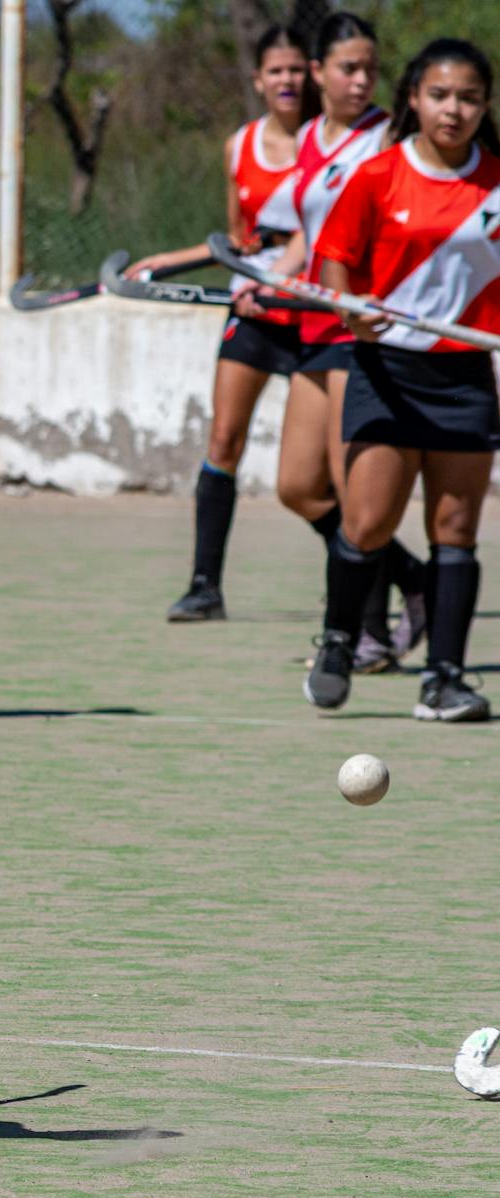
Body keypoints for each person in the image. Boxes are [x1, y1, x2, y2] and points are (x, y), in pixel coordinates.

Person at [302, 39, 500, 721]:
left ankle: (444, 678)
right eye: (440, 95)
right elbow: (335, 260)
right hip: (387, 367)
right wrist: (348, 308)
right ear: (414, 98)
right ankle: (338, 639)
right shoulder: (378, 176)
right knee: (367, 521)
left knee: (456, 527)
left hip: (465, 374)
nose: (454, 110)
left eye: (470, 98)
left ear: (485, 106)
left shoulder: (496, 183)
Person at [240, 12, 425, 672]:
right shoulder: (311, 137)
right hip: (315, 327)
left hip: (364, 330)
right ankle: (414, 578)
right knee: (297, 486)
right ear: (319, 72)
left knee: (355, 493)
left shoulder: (390, 138)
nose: (362, 80)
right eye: (349, 68)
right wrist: (267, 280)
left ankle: (363, 635)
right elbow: (308, 232)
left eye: (371, 68)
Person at [124, 27, 309, 623]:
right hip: (251, 311)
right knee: (224, 440)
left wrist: (281, 280)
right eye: (275, 71)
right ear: (258, 79)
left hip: (313, 315)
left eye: (296, 69)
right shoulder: (241, 146)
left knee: (318, 471)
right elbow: (239, 240)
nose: (287, 81)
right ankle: (206, 587)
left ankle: (377, 582)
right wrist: (168, 261)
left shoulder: (330, 142)